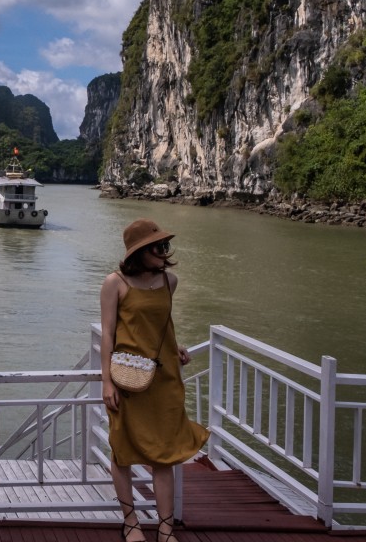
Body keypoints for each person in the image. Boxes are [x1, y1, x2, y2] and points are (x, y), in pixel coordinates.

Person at [100, 219, 208, 542]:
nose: (164, 252)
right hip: (127, 381)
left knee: (165, 454)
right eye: (157, 247)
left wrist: (176, 346)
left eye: (165, 247)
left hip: (164, 379)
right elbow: (107, 335)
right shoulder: (114, 283)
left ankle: (165, 527)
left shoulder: (169, 281)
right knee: (122, 450)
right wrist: (106, 381)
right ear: (139, 252)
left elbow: (162, 322)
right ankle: (130, 520)